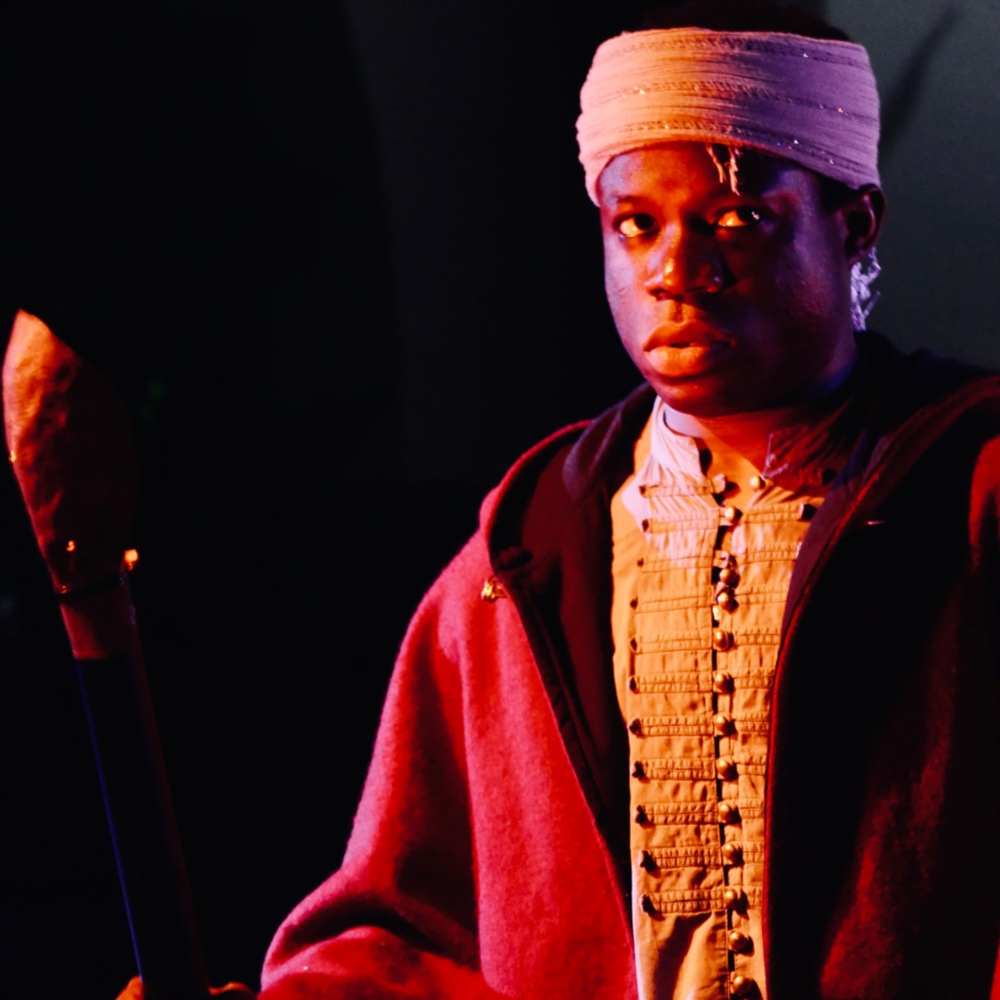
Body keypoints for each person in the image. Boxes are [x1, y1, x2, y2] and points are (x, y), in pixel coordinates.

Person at [53, 1, 995, 997]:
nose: (675, 272)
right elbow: (410, 927)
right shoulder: (533, 548)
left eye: (734, 221)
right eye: (636, 225)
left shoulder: (968, 492)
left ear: (854, 224)